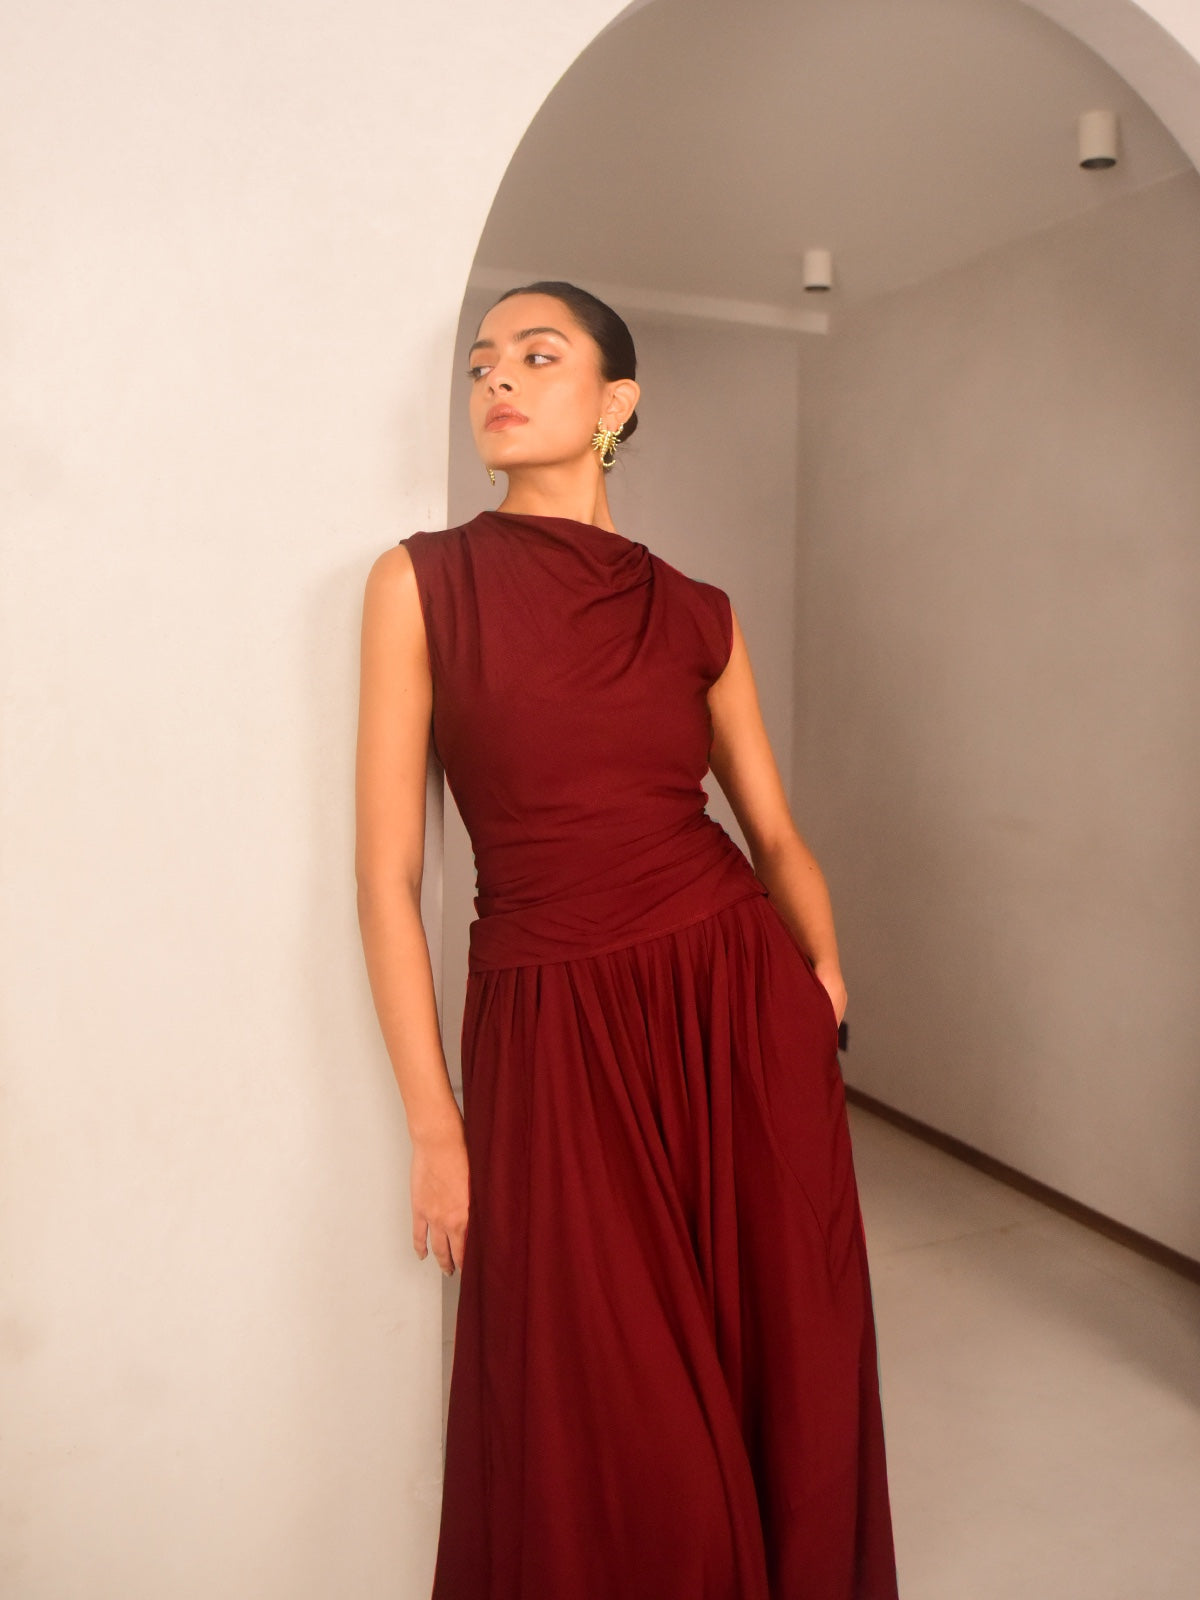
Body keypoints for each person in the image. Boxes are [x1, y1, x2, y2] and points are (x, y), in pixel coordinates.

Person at [355, 280, 900, 1600]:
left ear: (615, 403)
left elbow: (773, 834)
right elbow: (385, 876)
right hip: (550, 1032)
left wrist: (822, 982)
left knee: (788, 1357)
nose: (497, 379)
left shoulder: (698, 610)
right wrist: (437, 1126)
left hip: (734, 1008)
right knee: (614, 1415)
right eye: (482, 362)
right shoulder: (421, 583)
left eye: (537, 356)